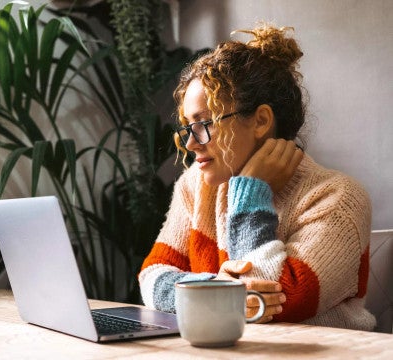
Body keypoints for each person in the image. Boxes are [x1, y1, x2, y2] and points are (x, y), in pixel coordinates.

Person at [138, 23, 376, 331]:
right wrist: (215, 288)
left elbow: (267, 307)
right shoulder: (195, 186)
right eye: (188, 127)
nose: (191, 143)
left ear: (261, 120)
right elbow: (151, 274)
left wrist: (251, 192)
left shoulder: (338, 198)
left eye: (205, 123)